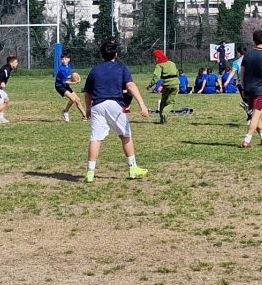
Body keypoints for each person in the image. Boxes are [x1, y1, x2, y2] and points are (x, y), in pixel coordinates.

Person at [83, 41, 149, 183]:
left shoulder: (94, 70)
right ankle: (133, 168)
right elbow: (130, 85)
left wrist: (88, 108)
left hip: (98, 105)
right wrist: (142, 104)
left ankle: (90, 172)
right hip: (115, 105)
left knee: (96, 139)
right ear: (116, 54)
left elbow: (87, 93)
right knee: (125, 136)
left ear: (101, 55)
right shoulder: (121, 67)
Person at [147, 50, 179, 124]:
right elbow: (176, 73)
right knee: (171, 102)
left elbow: (156, 77)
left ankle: (162, 116)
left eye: (154, 58)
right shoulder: (172, 63)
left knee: (163, 101)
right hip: (176, 84)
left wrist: (150, 85)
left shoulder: (159, 65)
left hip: (166, 85)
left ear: (157, 58)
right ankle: (165, 113)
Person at [55, 51, 88, 122]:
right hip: (59, 86)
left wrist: (74, 76)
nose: (63, 60)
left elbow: (67, 77)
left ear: (69, 59)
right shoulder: (62, 69)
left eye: (65, 59)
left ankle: (85, 116)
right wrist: (75, 82)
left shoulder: (68, 66)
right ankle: (65, 111)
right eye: (62, 59)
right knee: (73, 99)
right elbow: (64, 81)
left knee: (78, 100)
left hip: (64, 85)